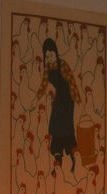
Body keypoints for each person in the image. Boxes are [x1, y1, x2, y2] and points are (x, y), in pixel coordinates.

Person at [35, 37, 82, 170]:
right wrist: (35, 99)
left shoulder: (63, 65)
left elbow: (72, 82)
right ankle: (58, 156)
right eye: (47, 56)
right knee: (55, 126)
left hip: (67, 100)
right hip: (58, 100)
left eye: (51, 55)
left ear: (55, 52)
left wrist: (77, 99)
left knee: (66, 127)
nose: (50, 58)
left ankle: (72, 155)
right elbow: (43, 86)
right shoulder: (48, 69)